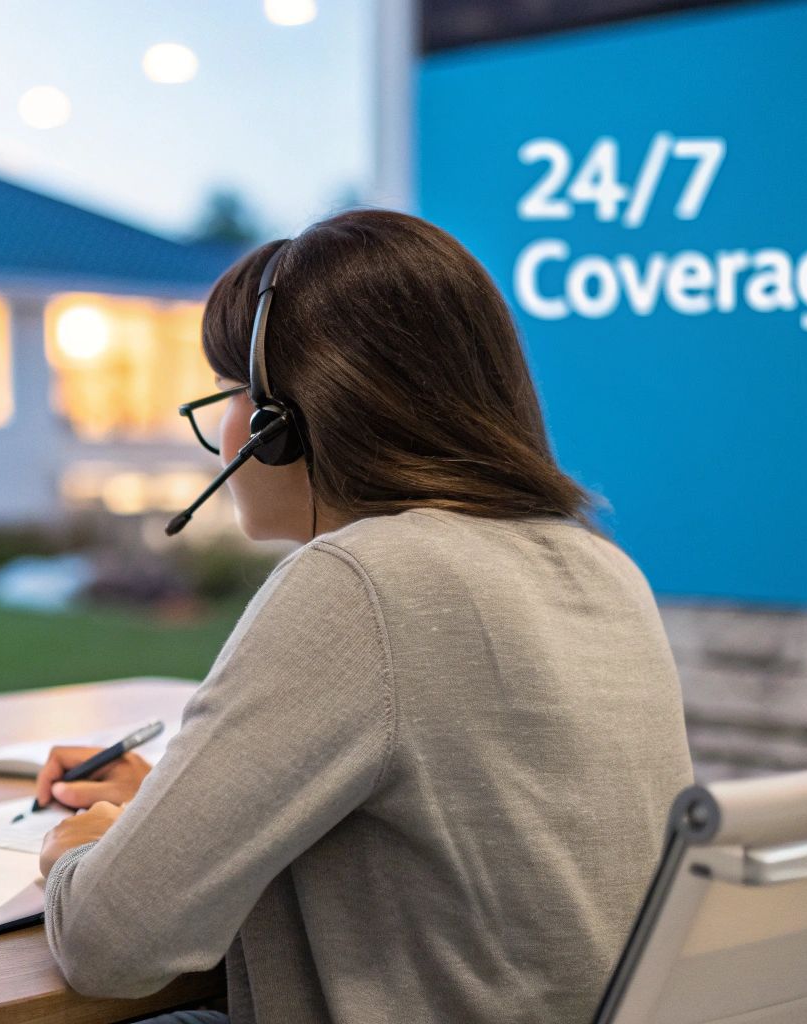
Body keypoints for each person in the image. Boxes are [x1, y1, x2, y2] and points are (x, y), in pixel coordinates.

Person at [35, 209, 693, 1023]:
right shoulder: (600, 566)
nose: (225, 430)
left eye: (232, 393)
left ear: (281, 423)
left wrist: (82, 853)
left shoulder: (361, 580)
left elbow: (110, 945)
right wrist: (162, 815)